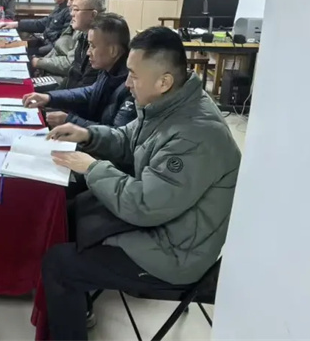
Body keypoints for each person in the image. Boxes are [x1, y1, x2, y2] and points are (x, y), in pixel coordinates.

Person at [41, 27, 241, 340]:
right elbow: (128, 139)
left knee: (59, 264)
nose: (127, 83)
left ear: (164, 81)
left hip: (174, 254)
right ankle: (79, 302)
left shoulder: (196, 135)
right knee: (66, 211)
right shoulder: (170, 104)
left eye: (133, 75)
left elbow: (144, 205)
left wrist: (92, 167)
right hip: (161, 223)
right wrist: (89, 135)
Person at [23, 13, 135, 129]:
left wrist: (70, 120)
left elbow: (116, 135)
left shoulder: (131, 85)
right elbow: (90, 93)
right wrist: (49, 98)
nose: (88, 52)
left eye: (93, 46)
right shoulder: (109, 69)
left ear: (113, 51)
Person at [33, 0, 104, 90]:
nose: (71, 14)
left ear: (93, 14)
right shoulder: (83, 35)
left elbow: (86, 89)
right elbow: (73, 74)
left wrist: (52, 97)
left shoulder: (99, 41)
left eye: (76, 9)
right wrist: (51, 96)